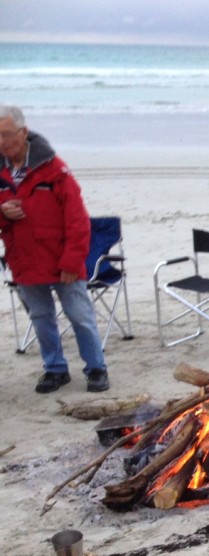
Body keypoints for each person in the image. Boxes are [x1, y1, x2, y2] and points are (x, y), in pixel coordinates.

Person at [0, 105, 109, 393]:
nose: (1, 142)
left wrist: (72, 262)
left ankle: (96, 368)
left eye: (6, 135)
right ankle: (55, 369)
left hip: (61, 259)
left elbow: (78, 220)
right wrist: (3, 212)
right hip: (24, 259)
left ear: (23, 133)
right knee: (40, 317)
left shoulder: (55, 168)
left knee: (80, 316)